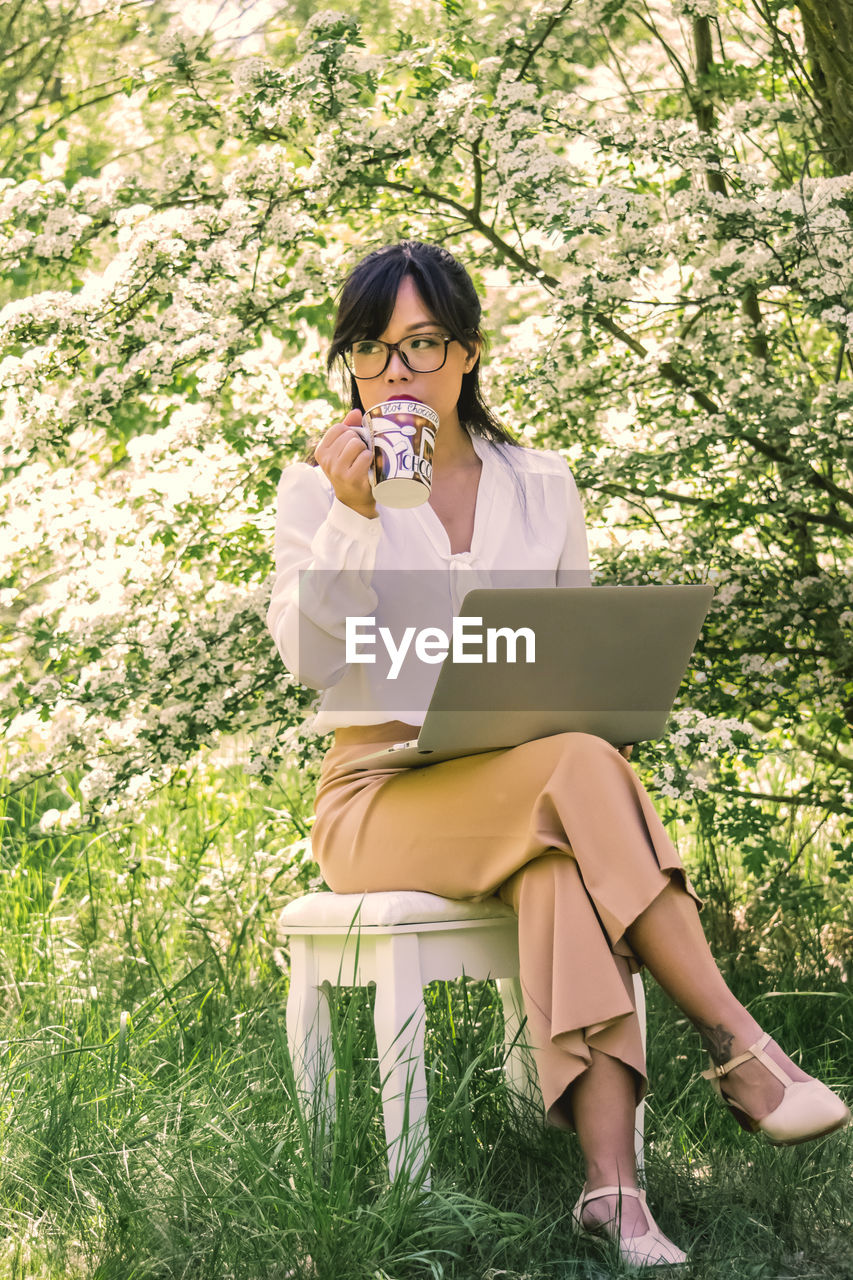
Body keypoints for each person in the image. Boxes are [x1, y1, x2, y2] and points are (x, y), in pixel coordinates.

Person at [266, 240, 849, 1267]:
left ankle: (612, 1193)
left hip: (519, 779)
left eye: (421, 344)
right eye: (370, 348)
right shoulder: (319, 490)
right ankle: (739, 1046)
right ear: (348, 363)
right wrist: (355, 523)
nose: (394, 372)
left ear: (468, 353)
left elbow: (566, 669)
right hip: (375, 799)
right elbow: (313, 662)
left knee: (561, 846)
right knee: (578, 770)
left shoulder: (539, 484)